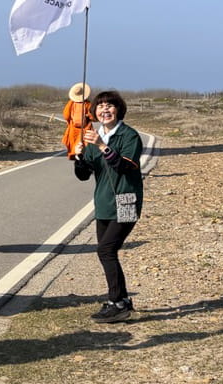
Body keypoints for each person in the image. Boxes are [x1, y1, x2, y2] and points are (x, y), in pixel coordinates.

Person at [73, 90, 143, 323]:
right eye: (100, 106)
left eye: (110, 106)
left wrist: (102, 145)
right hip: (103, 203)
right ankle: (121, 301)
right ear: (94, 112)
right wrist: (80, 157)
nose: (105, 109)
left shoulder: (128, 135)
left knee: (105, 250)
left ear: (118, 110)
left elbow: (125, 166)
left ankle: (118, 303)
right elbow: (84, 175)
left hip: (125, 200)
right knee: (107, 252)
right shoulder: (93, 135)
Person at [61, 82, 95, 159]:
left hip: (73, 128)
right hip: (85, 128)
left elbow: (66, 115)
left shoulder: (71, 103)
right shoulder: (87, 103)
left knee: (73, 143)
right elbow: (93, 117)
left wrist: (69, 121)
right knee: (85, 144)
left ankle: (75, 155)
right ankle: (83, 156)